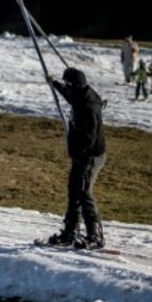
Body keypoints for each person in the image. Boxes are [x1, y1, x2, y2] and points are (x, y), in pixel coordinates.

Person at [45, 68, 108, 250]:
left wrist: (80, 152)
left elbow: (91, 136)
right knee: (74, 190)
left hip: (90, 156)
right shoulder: (80, 95)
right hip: (81, 155)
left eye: (67, 85)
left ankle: (94, 235)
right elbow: (71, 97)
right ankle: (70, 232)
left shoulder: (88, 107)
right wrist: (55, 84)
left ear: (73, 85)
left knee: (84, 191)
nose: (66, 87)